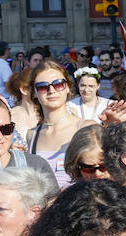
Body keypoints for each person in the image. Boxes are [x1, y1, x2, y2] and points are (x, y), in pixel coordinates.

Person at [26, 60, 90, 189]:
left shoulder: (85, 127)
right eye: (43, 86)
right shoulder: (31, 135)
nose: (51, 90)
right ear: (34, 93)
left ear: (67, 87)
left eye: (58, 84)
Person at [6, 68, 39, 140]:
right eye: (39, 87)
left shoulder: (49, 113)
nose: (47, 90)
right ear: (24, 90)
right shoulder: (9, 117)